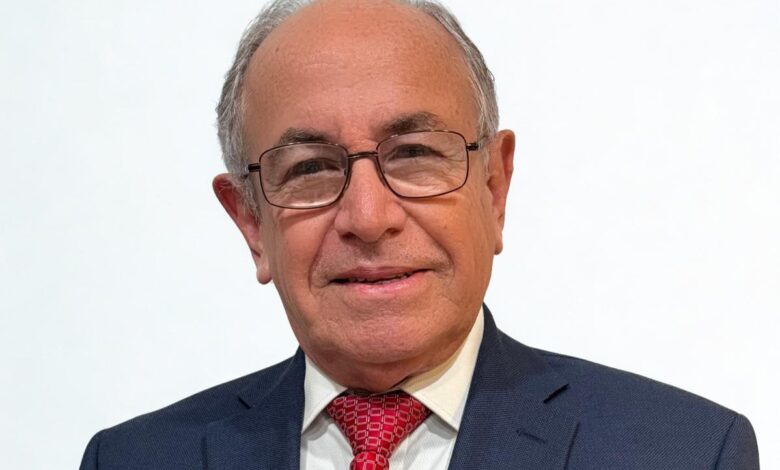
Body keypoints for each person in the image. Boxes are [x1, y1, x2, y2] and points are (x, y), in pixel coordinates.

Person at [80, 0, 760, 468]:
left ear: (494, 187)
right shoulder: (134, 460)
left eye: (413, 155)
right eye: (311, 168)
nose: (368, 217)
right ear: (251, 222)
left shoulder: (683, 452)